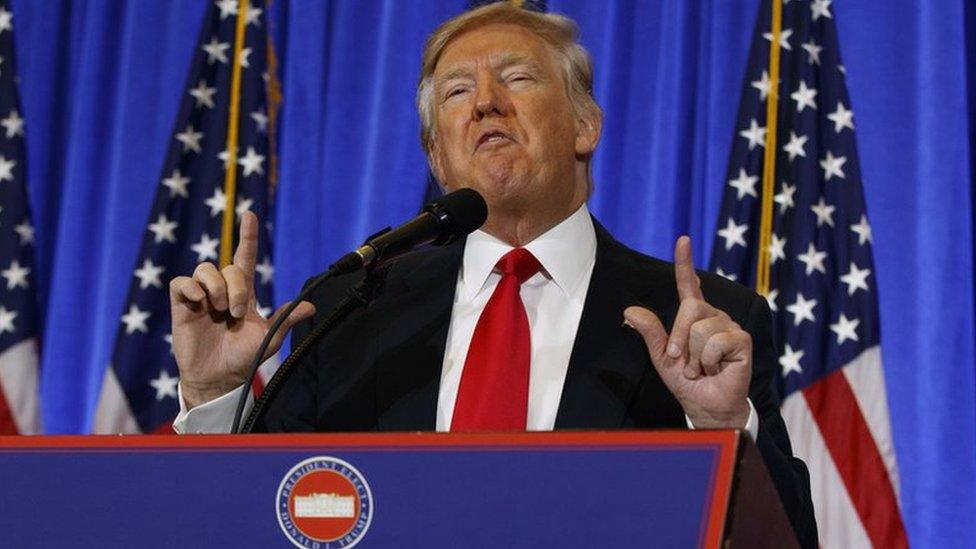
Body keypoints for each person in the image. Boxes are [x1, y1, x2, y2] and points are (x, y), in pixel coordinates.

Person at [169, 3, 816, 545]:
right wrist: (216, 395)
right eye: (457, 92)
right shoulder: (347, 307)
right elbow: (253, 522)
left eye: (517, 78)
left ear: (585, 124)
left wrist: (725, 432)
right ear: (437, 154)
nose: (485, 103)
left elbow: (790, 537)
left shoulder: (699, 325)